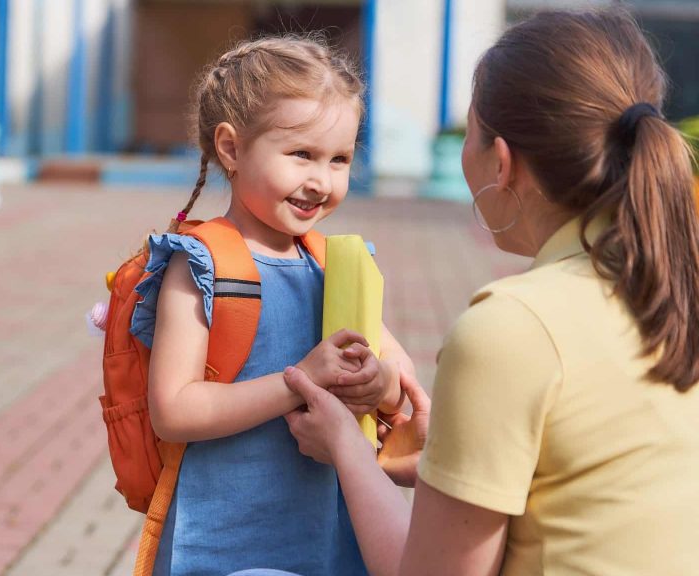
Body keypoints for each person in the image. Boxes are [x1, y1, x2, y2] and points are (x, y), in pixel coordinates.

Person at [244, 9, 699, 576]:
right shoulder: (674, 284)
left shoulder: (514, 327)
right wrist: (444, 462)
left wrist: (346, 445)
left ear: (501, 162)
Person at [129, 36, 413, 575]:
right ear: (231, 149)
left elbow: (397, 373)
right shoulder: (201, 265)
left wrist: (379, 383)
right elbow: (174, 410)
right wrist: (299, 381)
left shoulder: (334, 263)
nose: (321, 181)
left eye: (339, 159)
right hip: (223, 544)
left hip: (327, 539)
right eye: (301, 154)